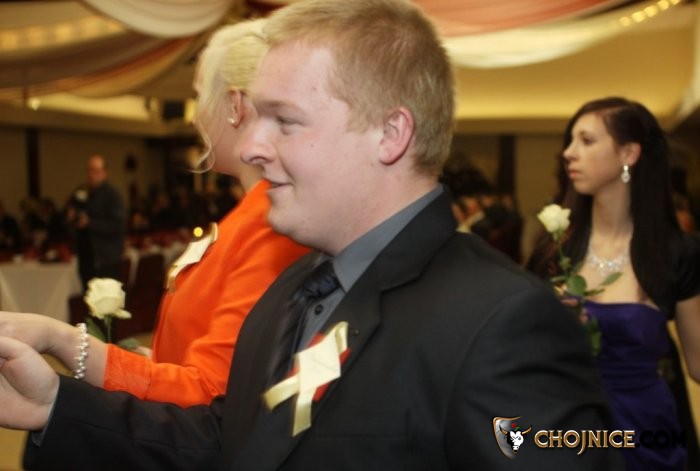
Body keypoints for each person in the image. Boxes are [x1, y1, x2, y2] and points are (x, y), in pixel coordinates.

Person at [0, 1, 622, 469]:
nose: (251, 145)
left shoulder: (505, 323)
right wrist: (55, 404)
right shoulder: (295, 288)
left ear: (390, 134)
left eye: (284, 120)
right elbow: (229, 442)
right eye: (255, 116)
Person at [0, 19, 309, 408]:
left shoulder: (271, 221)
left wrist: (61, 339)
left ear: (235, 106)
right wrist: (152, 362)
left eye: (199, 95)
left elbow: (210, 392)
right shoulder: (249, 214)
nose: (195, 117)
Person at [527, 97, 700, 471]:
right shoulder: (554, 250)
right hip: (566, 427)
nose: (568, 153)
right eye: (570, 141)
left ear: (628, 153)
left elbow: (698, 364)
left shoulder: (675, 253)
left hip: (646, 433)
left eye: (587, 141)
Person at [66, 154, 127, 289]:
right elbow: (70, 214)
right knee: (88, 297)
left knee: (106, 298)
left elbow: (118, 226)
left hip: (106, 260)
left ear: (104, 173)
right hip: (86, 258)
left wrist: (90, 223)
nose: (91, 175)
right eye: (89, 170)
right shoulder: (81, 192)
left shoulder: (112, 196)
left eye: (96, 171)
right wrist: (71, 217)